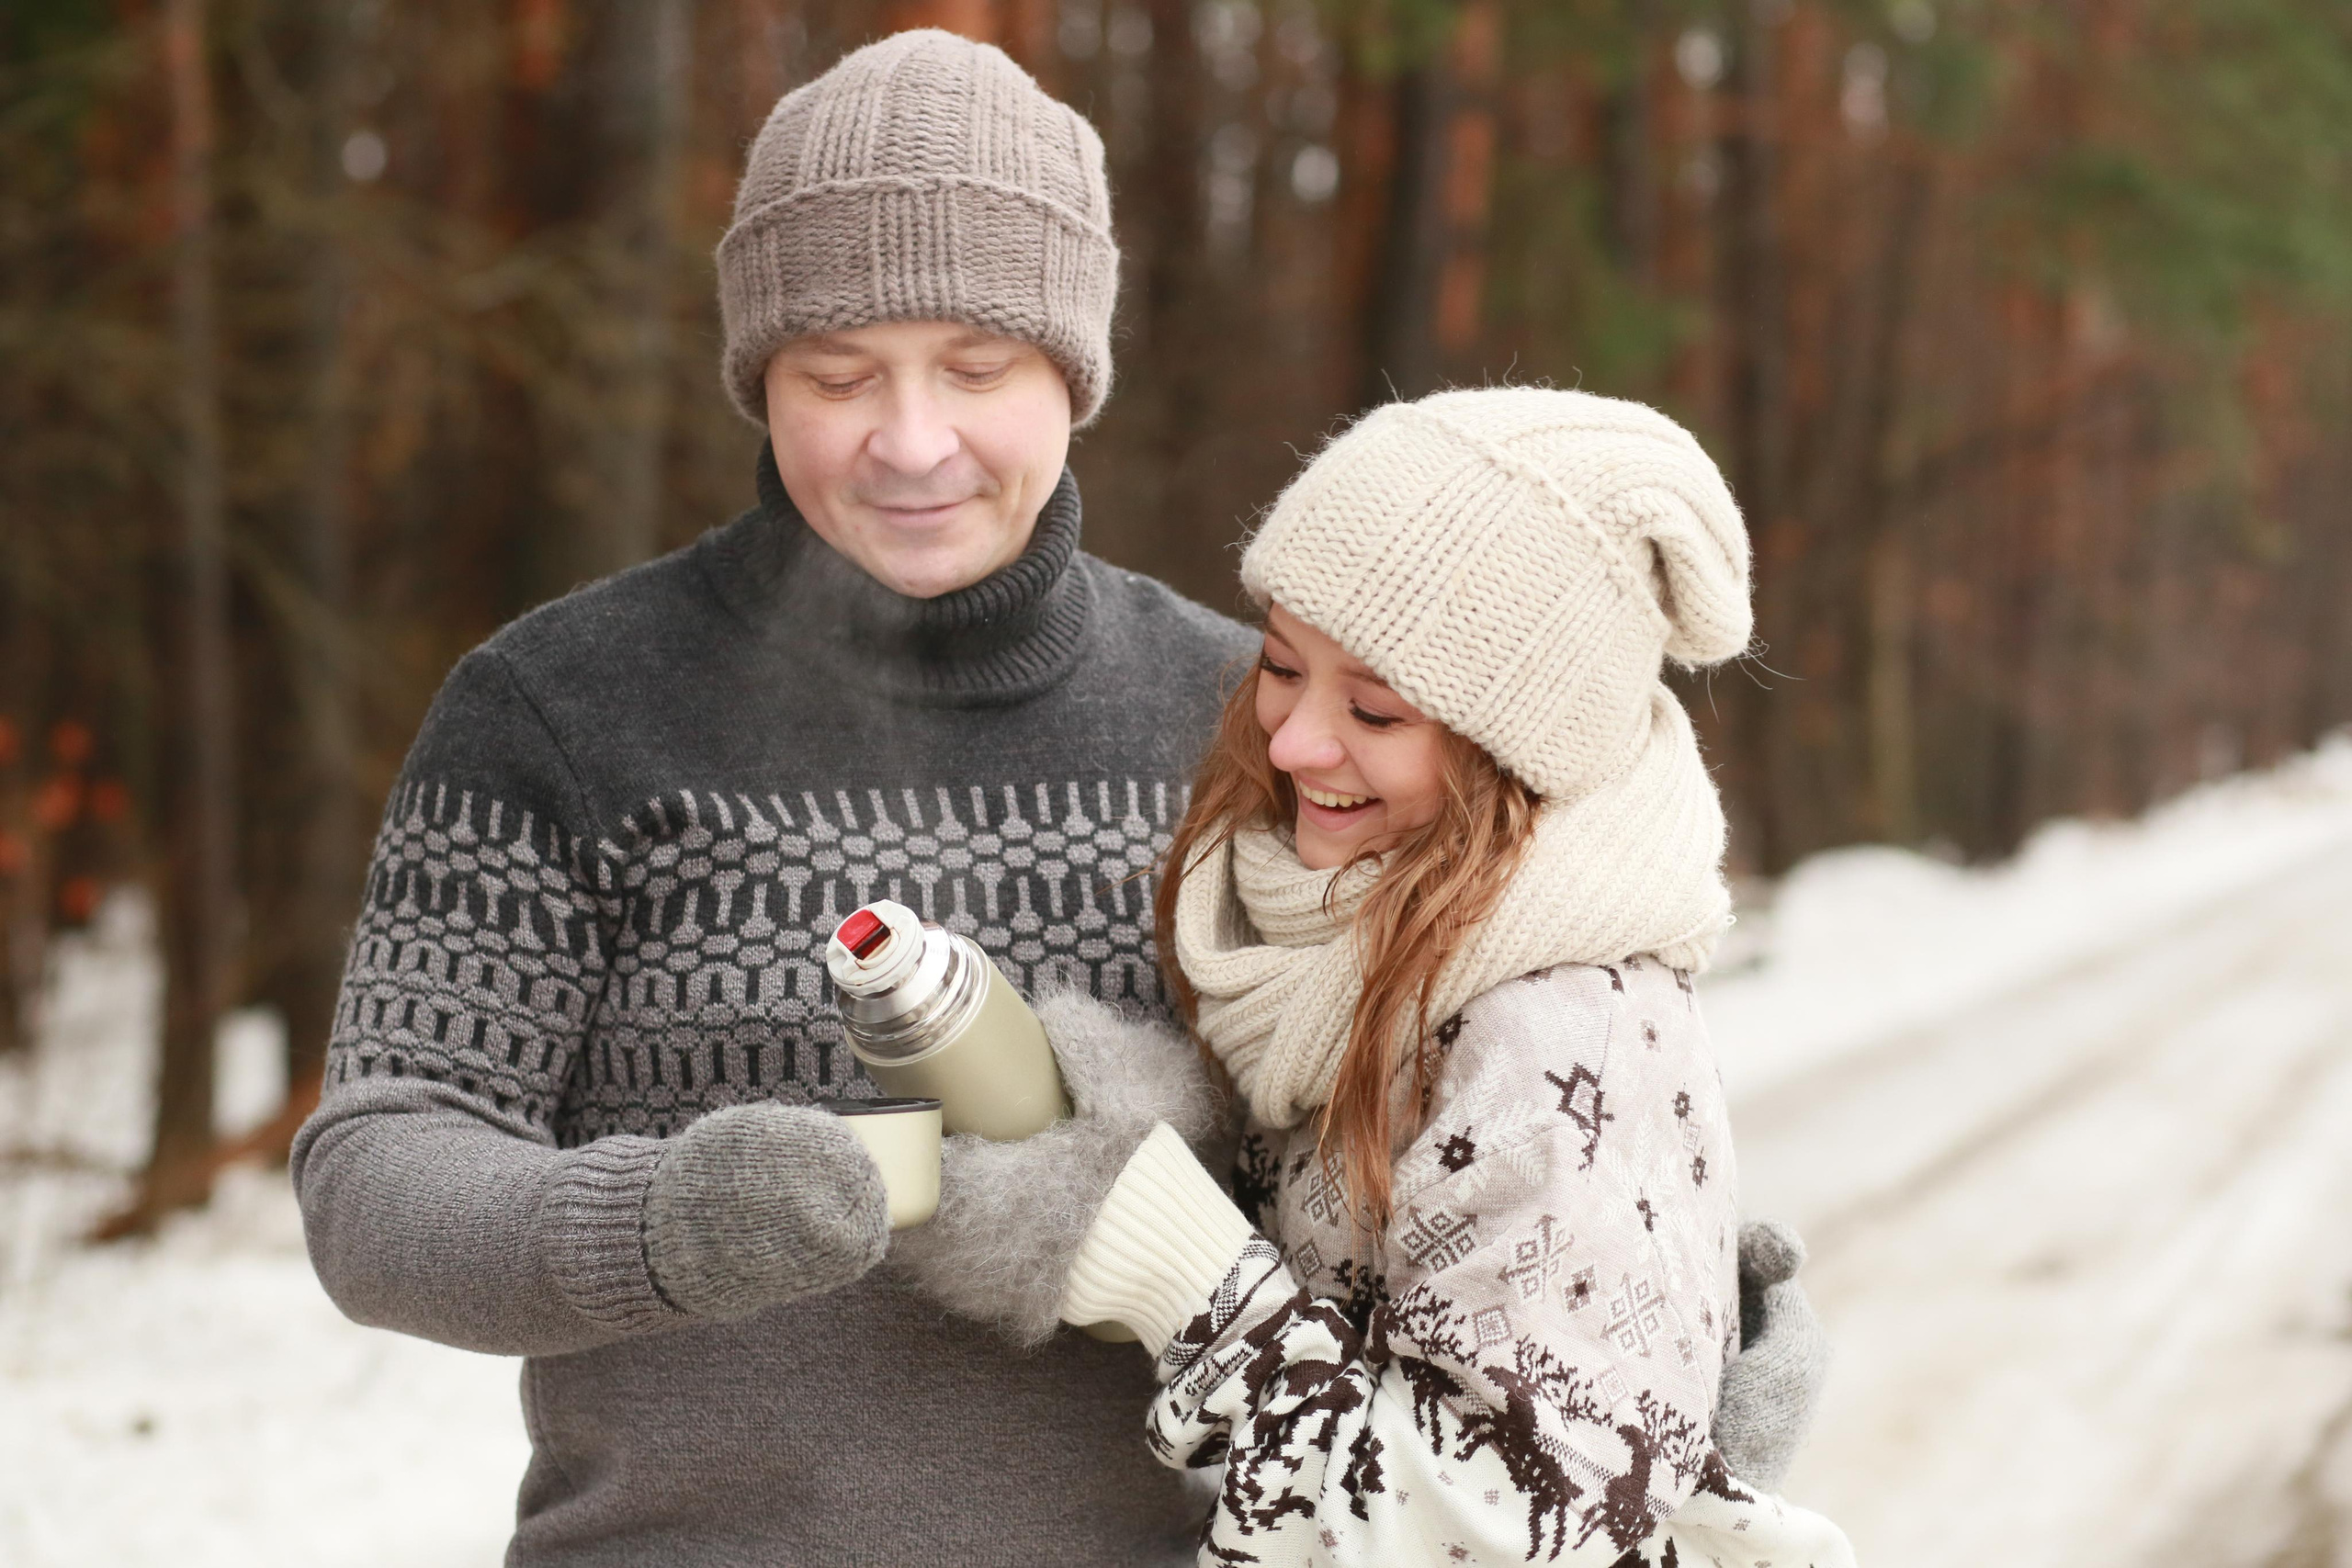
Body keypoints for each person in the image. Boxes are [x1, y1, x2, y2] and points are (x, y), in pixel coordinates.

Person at [289, 30, 1824, 1566]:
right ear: (759, 372)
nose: (911, 439)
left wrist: (1636, 1369)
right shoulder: (556, 712)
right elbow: (381, 1174)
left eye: (976, 367)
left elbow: (1484, 1090)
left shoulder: (1259, 727)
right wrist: (661, 1226)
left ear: (1075, 371)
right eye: (838, 375)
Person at [1052, 387, 1857, 1565]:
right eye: (1280, 666)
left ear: (1513, 747)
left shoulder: (1551, 1027)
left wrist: (1195, 1285)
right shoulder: (1343, 941)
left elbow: (1493, 1533)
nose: (1291, 743)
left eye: (1373, 708)